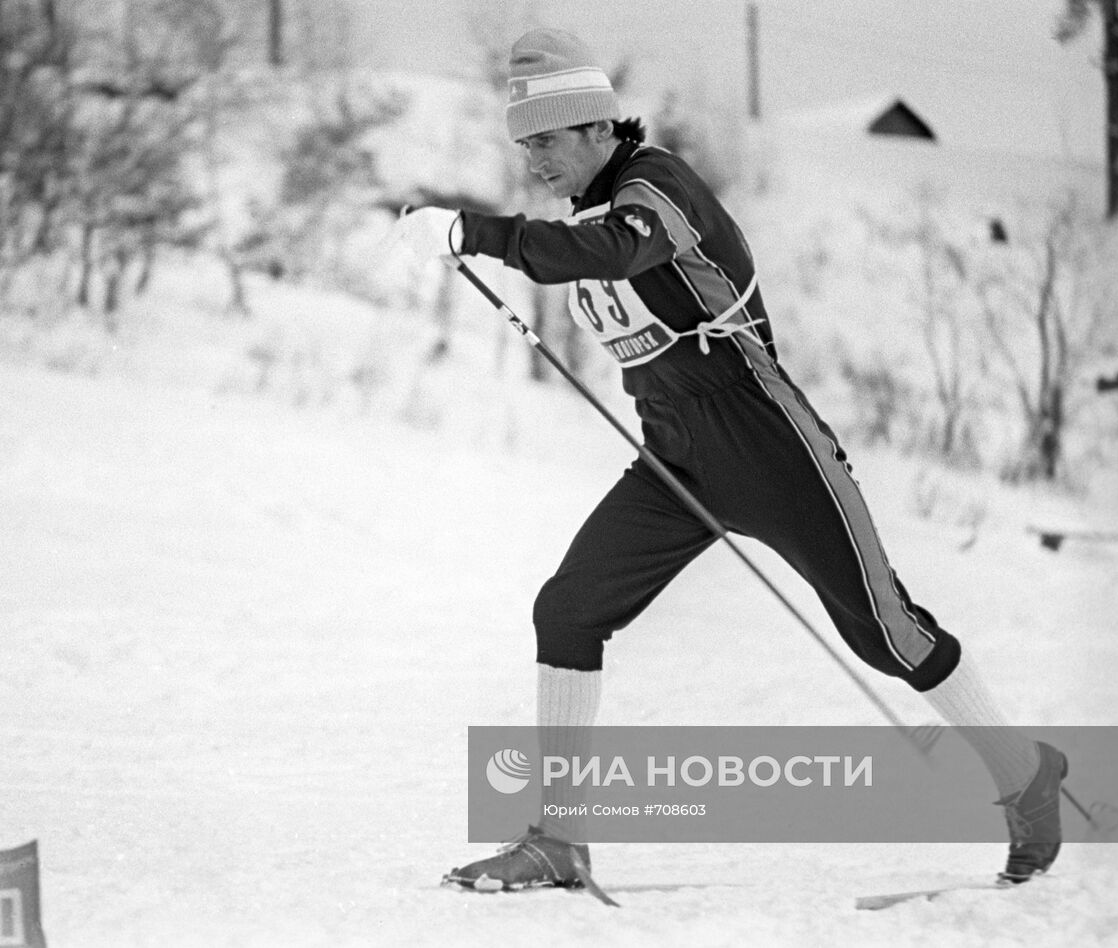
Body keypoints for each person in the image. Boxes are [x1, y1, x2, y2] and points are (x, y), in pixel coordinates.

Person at [394, 27, 1066, 894]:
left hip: (770, 443)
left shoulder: (656, 187)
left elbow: (614, 252)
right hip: (675, 458)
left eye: (548, 140)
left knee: (887, 633)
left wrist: (474, 232)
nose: (535, 161)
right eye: (524, 145)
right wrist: (448, 233)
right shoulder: (587, 212)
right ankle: (558, 837)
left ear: (598, 127)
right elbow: (584, 254)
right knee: (568, 609)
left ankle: (1024, 776)